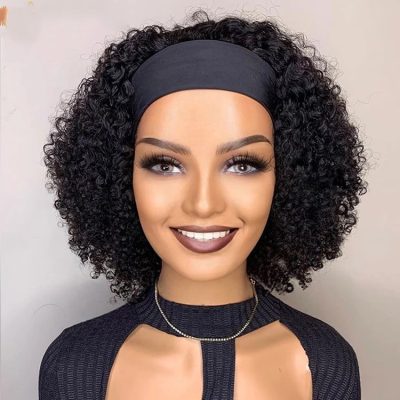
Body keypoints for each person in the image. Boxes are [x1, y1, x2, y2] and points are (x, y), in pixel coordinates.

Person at [39, 10, 367, 400]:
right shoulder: (75, 365)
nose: (203, 204)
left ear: (290, 176)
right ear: (120, 176)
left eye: (242, 164)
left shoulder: (324, 365)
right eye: (165, 164)